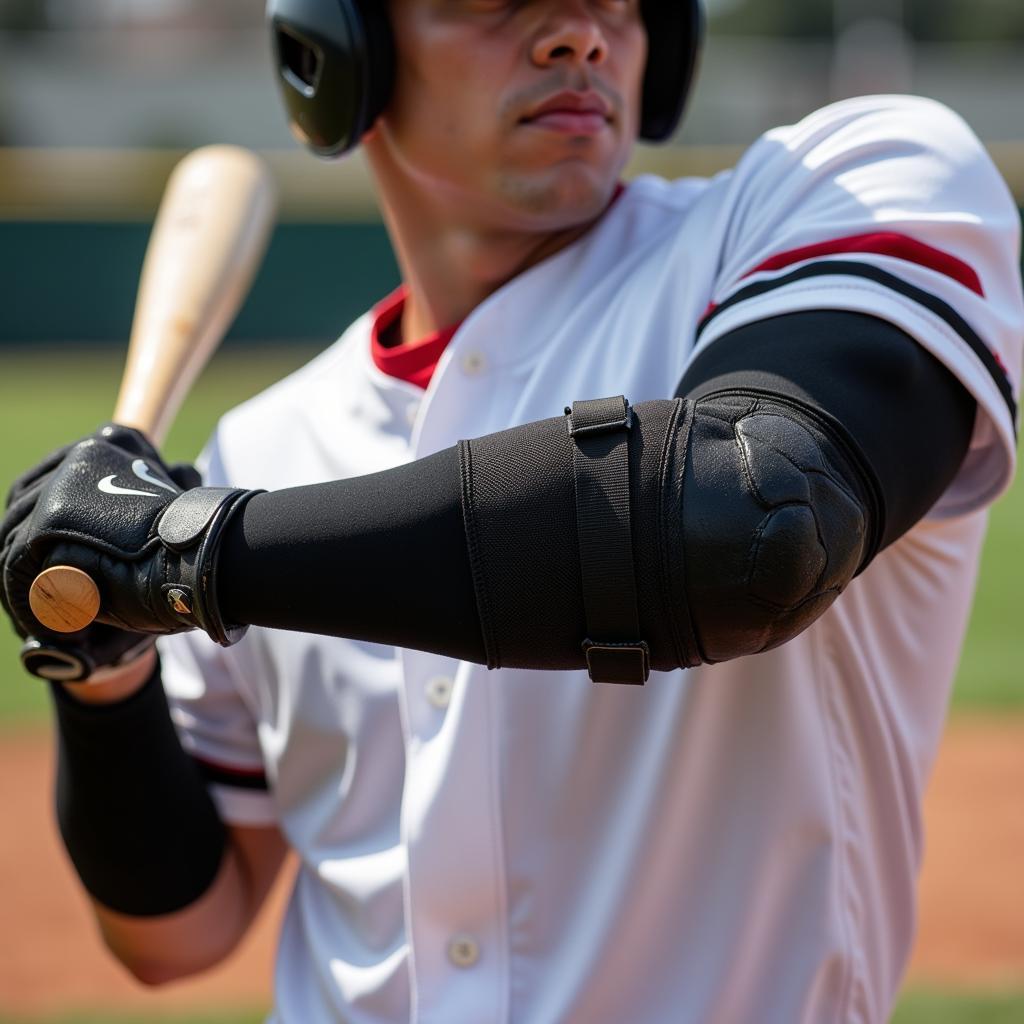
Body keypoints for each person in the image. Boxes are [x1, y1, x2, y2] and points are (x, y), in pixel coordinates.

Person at [1, 1, 1021, 1021]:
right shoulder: (264, 448)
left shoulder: (830, 193)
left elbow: (751, 519)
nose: (578, 32)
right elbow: (181, 928)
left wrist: (189, 558)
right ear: (342, 46)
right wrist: (106, 657)